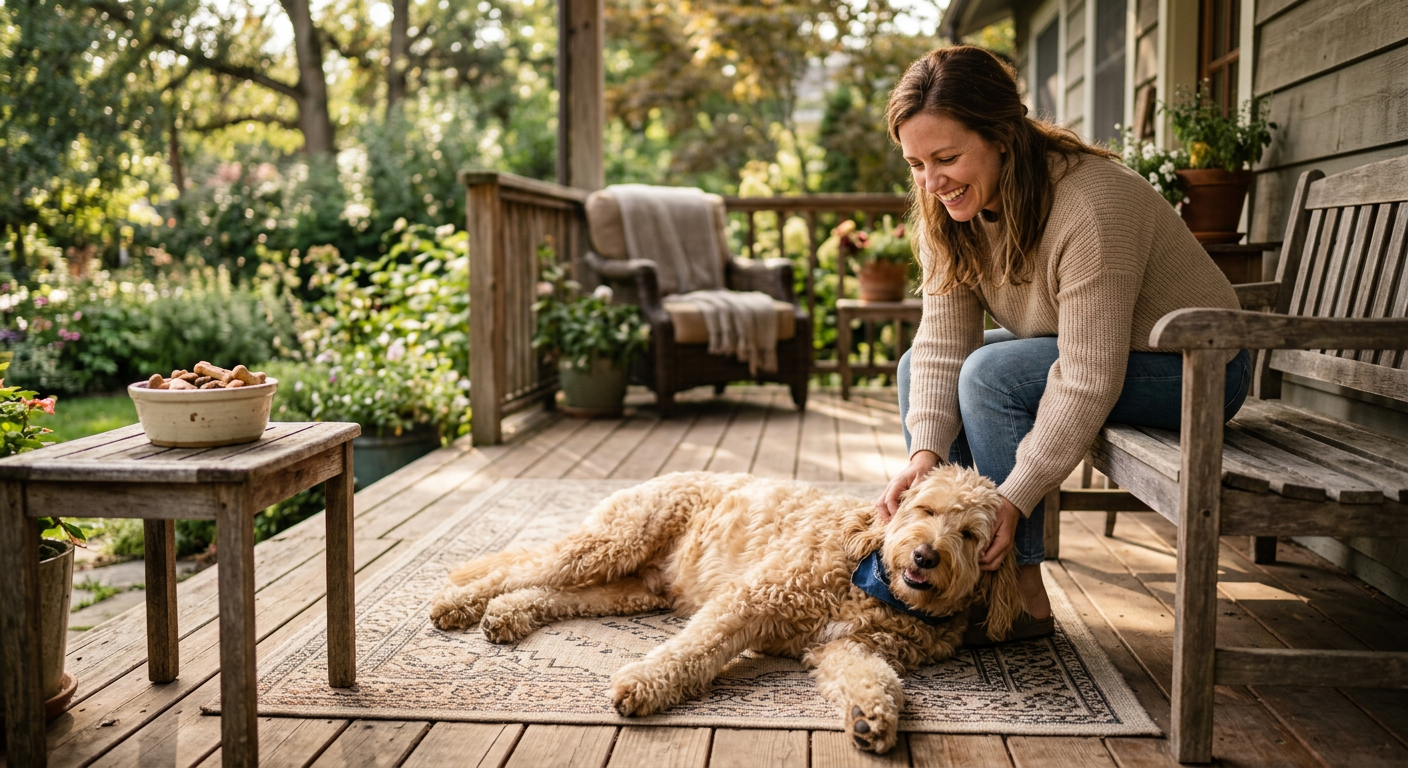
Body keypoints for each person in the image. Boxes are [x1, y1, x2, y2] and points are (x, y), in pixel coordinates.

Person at [876, 46, 1250, 643]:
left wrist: (1015, 498)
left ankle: (1020, 595)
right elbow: (943, 342)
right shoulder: (947, 208)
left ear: (1002, 137)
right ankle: (957, 570)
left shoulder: (1093, 203)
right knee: (917, 366)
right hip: (1092, 350)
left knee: (989, 375)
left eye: (946, 158)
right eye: (916, 164)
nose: (932, 182)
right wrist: (924, 460)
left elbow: (1086, 375)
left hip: (1197, 365)